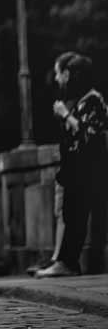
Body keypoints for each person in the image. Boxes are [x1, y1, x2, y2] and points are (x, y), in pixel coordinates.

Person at [37, 52, 108, 277]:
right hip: (78, 168)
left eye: (62, 74)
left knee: (80, 215)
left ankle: (68, 263)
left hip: (90, 168)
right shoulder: (82, 100)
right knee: (73, 215)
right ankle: (67, 262)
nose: (59, 80)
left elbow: (90, 134)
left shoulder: (93, 100)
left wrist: (66, 115)